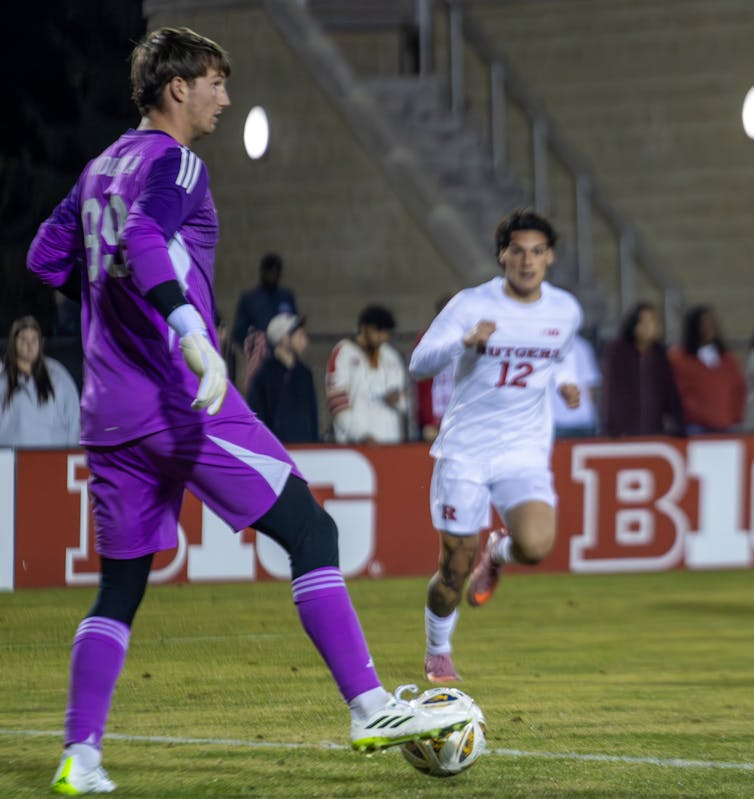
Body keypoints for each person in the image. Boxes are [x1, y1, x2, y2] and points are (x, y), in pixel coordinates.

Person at [26, 27, 469, 796]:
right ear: (177, 90)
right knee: (311, 528)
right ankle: (368, 706)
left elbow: (46, 258)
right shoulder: (177, 162)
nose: (225, 99)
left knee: (120, 587)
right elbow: (143, 236)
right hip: (180, 398)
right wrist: (189, 334)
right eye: (215, 84)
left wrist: (120, 314)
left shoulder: (100, 168)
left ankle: (80, 755)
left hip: (108, 412)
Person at [409, 209, 582, 684]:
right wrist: (464, 343)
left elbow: (561, 356)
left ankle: (498, 554)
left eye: (538, 252)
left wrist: (567, 383)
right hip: (465, 449)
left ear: (550, 257)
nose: (528, 262)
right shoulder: (471, 304)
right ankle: (438, 649)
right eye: (518, 251)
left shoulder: (564, 310)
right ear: (503, 254)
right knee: (453, 569)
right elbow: (419, 363)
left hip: (523, 449)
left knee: (536, 544)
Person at [325, 304, 408, 444]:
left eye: (386, 331)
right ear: (364, 328)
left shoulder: (391, 356)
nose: (382, 336)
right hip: (356, 443)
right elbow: (336, 401)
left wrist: (397, 400)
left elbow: (405, 400)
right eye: (378, 330)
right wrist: (359, 435)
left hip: (390, 441)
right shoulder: (344, 352)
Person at [601, 302, 685, 437]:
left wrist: (677, 424)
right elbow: (612, 391)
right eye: (646, 322)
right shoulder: (618, 351)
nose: (651, 327)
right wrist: (613, 427)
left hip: (655, 428)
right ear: (634, 325)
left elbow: (669, 391)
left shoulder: (660, 354)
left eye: (654, 322)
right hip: (625, 431)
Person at [0, 315, 81, 447]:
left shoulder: (57, 376)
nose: (29, 345)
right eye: (24, 340)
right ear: (14, 343)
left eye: (34, 340)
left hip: (53, 456)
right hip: (11, 460)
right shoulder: (3, 381)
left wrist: (70, 453)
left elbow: (73, 417)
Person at [668, 304, 747, 434]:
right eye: (704, 323)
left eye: (712, 323)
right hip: (694, 426)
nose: (709, 328)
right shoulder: (678, 358)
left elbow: (738, 388)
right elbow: (673, 392)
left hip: (725, 425)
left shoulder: (727, 358)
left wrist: (735, 417)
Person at [246, 313, 319, 443]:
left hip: (306, 452)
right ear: (284, 338)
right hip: (277, 452)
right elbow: (258, 418)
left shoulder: (305, 374)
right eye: (300, 335)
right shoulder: (263, 376)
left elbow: (312, 416)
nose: (305, 339)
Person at [232, 252, 297, 391]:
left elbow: (295, 326)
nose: (273, 276)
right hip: (260, 361)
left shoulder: (286, 296)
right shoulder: (250, 299)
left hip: (284, 357)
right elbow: (239, 332)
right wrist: (254, 347)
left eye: (276, 272)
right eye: (270, 272)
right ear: (262, 272)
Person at [414, 294, 456, 443]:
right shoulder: (427, 338)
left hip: (459, 416)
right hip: (435, 418)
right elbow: (422, 385)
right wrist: (428, 421)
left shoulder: (469, 339)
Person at [549, 332, 601, 438]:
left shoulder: (543, 345)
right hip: (580, 420)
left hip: (560, 420)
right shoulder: (582, 346)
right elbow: (591, 388)